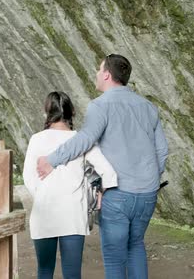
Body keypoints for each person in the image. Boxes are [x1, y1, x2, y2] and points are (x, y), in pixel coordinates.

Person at [36, 54, 169, 279]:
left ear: (107, 74)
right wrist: (149, 180)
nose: (97, 74)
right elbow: (162, 151)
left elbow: (86, 138)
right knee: (136, 246)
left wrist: (52, 160)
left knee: (115, 256)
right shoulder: (148, 107)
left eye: (99, 70)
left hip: (118, 195)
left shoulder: (101, 105)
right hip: (147, 193)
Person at [24, 91, 117, 279]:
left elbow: (29, 178)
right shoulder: (82, 139)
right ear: (72, 112)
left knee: (44, 271)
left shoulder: (37, 139)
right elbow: (108, 172)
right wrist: (100, 192)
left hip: (44, 212)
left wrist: (44, 193)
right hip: (73, 213)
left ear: (46, 112)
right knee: (73, 274)